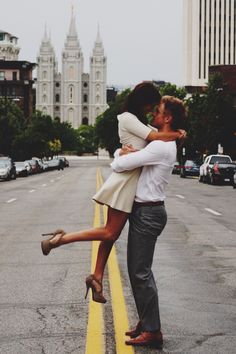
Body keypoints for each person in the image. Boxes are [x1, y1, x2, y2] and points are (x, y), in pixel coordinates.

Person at [41, 83, 185, 304]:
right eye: (150, 105)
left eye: (156, 108)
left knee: (111, 234)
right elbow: (155, 138)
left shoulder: (139, 122)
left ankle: (97, 277)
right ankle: (60, 239)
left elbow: (150, 138)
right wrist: (177, 134)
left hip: (131, 180)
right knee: (109, 233)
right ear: (142, 101)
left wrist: (121, 150)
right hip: (125, 181)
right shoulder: (127, 117)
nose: (152, 110)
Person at [110, 95, 187, 349]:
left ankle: (153, 331)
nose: (153, 114)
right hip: (146, 212)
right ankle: (146, 322)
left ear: (168, 118)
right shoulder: (161, 140)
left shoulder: (159, 147)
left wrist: (119, 154)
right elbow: (145, 140)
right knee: (137, 272)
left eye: (159, 111)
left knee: (140, 273)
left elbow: (120, 165)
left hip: (148, 213)